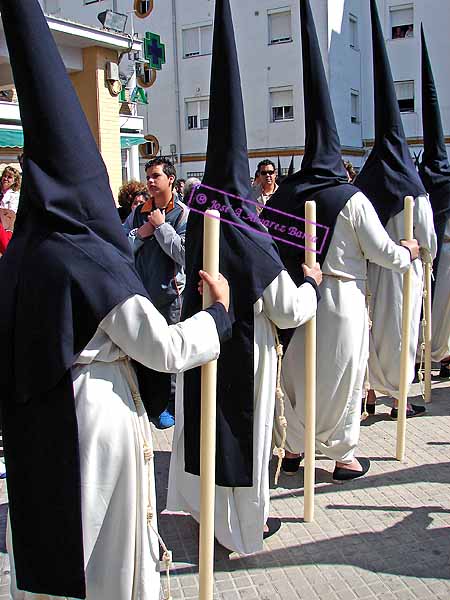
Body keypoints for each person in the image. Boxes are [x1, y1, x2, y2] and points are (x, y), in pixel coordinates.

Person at [0, 2, 232, 599]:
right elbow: (164, 347)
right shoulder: (86, 254)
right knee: (106, 565)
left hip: (37, 423)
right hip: (95, 422)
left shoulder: (24, 253)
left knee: (55, 562)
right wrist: (219, 316)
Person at [167, 0, 320, 554]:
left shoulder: (200, 208)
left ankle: (206, 516)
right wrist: (313, 287)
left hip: (205, 338)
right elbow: (284, 307)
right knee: (242, 439)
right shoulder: (244, 221)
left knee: (207, 433)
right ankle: (238, 530)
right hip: (243, 348)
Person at [268, 0, 419, 482]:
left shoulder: (285, 195)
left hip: (295, 297)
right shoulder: (351, 198)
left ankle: (293, 450)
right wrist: (409, 251)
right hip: (341, 299)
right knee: (342, 378)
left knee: (297, 377)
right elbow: (385, 253)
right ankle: (342, 456)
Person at [355, 0, 436, 419]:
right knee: (401, 336)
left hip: (371, 272)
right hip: (404, 271)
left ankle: (368, 394)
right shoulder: (415, 189)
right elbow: (428, 239)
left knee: (371, 334)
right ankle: (399, 400)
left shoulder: (364, 186)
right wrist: (424, 256)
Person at [129, 157, 188, 429]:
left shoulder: (184, 214)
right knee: (142, 352)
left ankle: (171, 406)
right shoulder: (140, 212)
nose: (150, 181)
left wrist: (162, 227)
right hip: (141, 295)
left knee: (169, 353)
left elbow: (185, 254)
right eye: (148, 176)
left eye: (156, 176)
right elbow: (122, 247)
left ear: (171, 179)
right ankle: (149, 404)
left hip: (170, 297)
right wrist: (142, 232)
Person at [418, 26, 450, 379]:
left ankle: (438, 356)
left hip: (438, 250)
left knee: (440, 312)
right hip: (431, 250)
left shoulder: (420, 178)